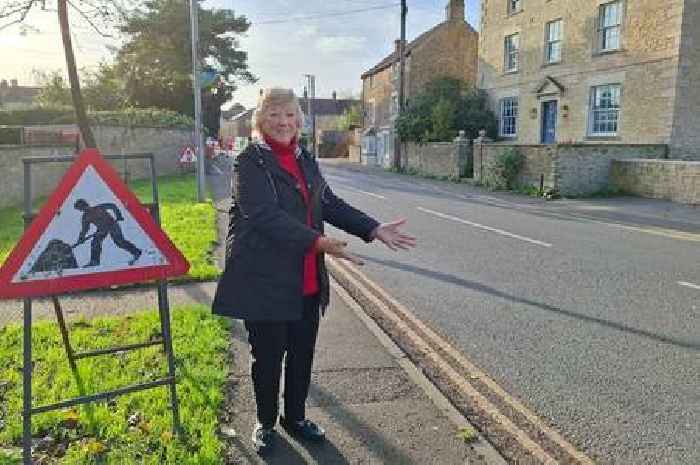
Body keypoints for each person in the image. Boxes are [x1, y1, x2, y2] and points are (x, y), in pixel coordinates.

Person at [212, 88, 415, 454]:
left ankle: (295, 417)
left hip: (305, 276)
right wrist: (319, 243)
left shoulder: (304, 158)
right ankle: (265, 422)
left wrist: (373, 228)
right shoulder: (248, 162)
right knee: (268, 358)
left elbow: (327, 202)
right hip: (265, 279)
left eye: (290, 114)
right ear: (261, 119)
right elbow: (263, 216)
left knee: (302, 354)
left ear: (299, 120)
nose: (283, 121)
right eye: (274, 114)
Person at [73, 199, 142, 267]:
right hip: (101, 230)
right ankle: (94, 261)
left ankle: (136, 252)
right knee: (95, 242)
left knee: (119, 242)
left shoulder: (99, 208)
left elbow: (113, 206)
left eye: (82, 208)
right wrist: (81, 238)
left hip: (112, 225)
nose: (83, 210)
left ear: (85, 205)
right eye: (81, 209)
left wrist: (118, 215)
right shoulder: (85, 217)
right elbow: (85, 229)